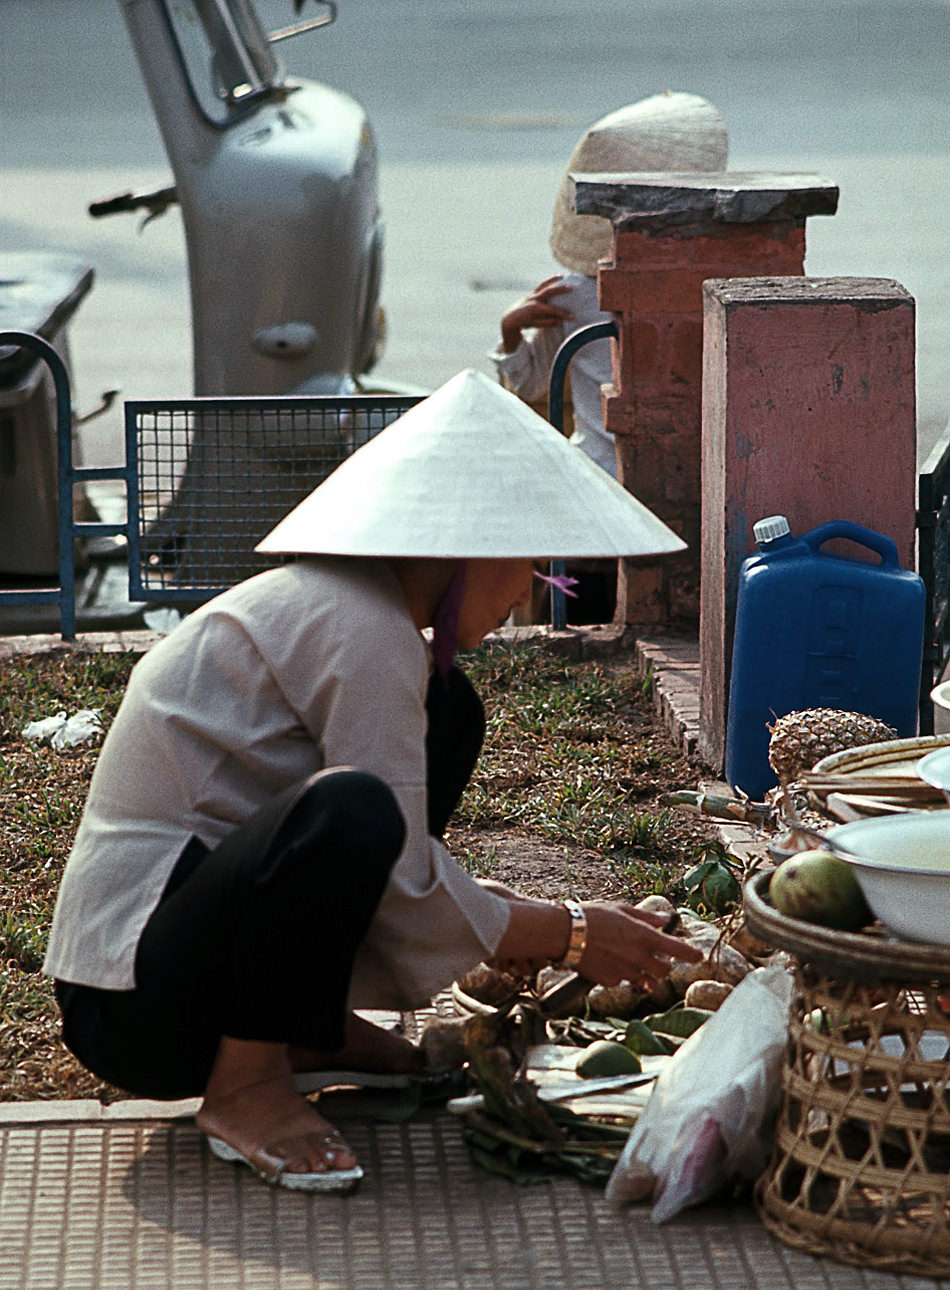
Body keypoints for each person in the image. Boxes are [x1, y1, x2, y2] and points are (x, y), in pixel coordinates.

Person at [44, 369, 701, 1194]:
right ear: (464, 550)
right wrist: (573, 931)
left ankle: (312, 1033)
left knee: (447, 713)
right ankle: (245, 1083)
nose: (534, 585)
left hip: (194, 958)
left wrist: (546, 921)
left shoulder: (365, 619)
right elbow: (389, 866)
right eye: (528, 559)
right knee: (352, 810)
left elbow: (398, 865)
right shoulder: (362, 627)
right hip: (133, 1002)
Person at [490, 91, 728, 622]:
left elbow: (528, 386)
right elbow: (531, 379)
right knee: (591, 606)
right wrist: (510, 330)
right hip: (608, 484)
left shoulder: (577, 294)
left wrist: (512, 336)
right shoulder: (574, 297)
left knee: (585, 612)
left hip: (603, 483)